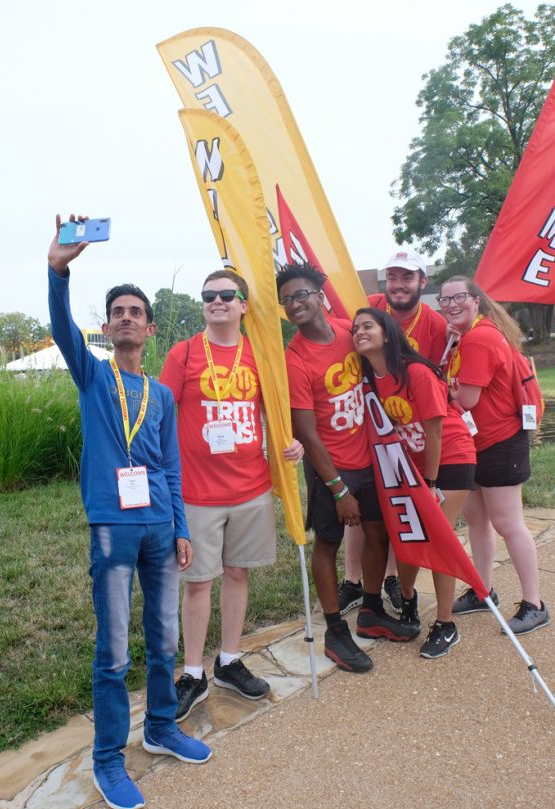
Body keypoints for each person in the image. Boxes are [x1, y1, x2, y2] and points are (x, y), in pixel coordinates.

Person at [47, 215, 211, 809]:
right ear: (108, 324)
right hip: (113, 529)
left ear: (150, 327)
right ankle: (108, 760)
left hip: (160, 528)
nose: (125, 318)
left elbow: (170, 467)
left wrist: (181, 528)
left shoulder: (162, 395)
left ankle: (162, 728)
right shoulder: (93, 374)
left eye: (135, 312)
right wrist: (58, 270)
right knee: (114, 650)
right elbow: (62, 328)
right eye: (117, 311)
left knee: (164, 639)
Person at [159, 270, 303, 722]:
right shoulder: (183, 354)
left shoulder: (260, 355)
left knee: (237, 573)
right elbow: (163, 418)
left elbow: (278, 413)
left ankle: (229, 661)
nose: (217, 301)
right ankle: (193, 673)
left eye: (227, 295)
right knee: (199, 581)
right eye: (209, 296)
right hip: (198, 492)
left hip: (250, 487)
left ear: (244, 305)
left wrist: (292, 442)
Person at [277, 262, 419, 674]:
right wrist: (338, 490)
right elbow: (306, 432)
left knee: (380, 533)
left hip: (370, 458)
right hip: (332, 468)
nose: (295, 304)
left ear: (320, 296)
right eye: (287, 300)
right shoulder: (295, 359)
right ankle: (336, 631)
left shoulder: (348, 332)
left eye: (302, 294)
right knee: (328, 542)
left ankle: (372, 610)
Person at [352, 308, 476, 658]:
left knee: (439, 538)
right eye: (355, 328)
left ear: (387, 333)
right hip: (410, 466)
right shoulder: (372, 378)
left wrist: (432, 482)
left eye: (368, 326)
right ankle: (408, 602)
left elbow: (435, 430)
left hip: (449, 459)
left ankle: (446, 624)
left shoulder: (416, 371)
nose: (359, 332)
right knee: (405, 534)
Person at [339, 250, 454, 615]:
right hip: (381, 432)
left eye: (408, 277)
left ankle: (395, 582)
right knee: (369, 507)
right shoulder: (371, 308)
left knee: (415, 522)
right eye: (393, 277)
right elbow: (336, 324)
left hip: (420, 436)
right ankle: (353, 581)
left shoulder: (435, 325)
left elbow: (438, 380)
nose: (399, 285)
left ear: (423, 281)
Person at [439, 275, 550, 635]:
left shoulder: (480, 338)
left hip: (501, 442)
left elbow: (467, 399)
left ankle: (535, 604)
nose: (451, 305)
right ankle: (483, 591)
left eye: (458, 298)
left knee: (507, 523)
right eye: (444, 300)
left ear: (476, 300)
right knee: (477, 520)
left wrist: (434, 398)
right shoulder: (465, 339)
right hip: (476, 444)